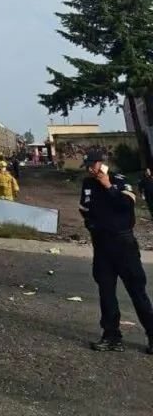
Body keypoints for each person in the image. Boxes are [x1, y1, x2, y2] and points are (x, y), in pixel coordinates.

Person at [80, 148, 153, 353]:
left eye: (92, 165)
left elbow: (126, 206)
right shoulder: (87, 184)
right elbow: (84, 208)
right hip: (101, 246)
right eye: (87, 166)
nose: (89, 169)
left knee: (137, 292)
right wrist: (91, 225)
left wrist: (109, 186)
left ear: (102, 163)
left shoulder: (120, 180)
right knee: (106, 293)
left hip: (123, 245)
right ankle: (112, 336)